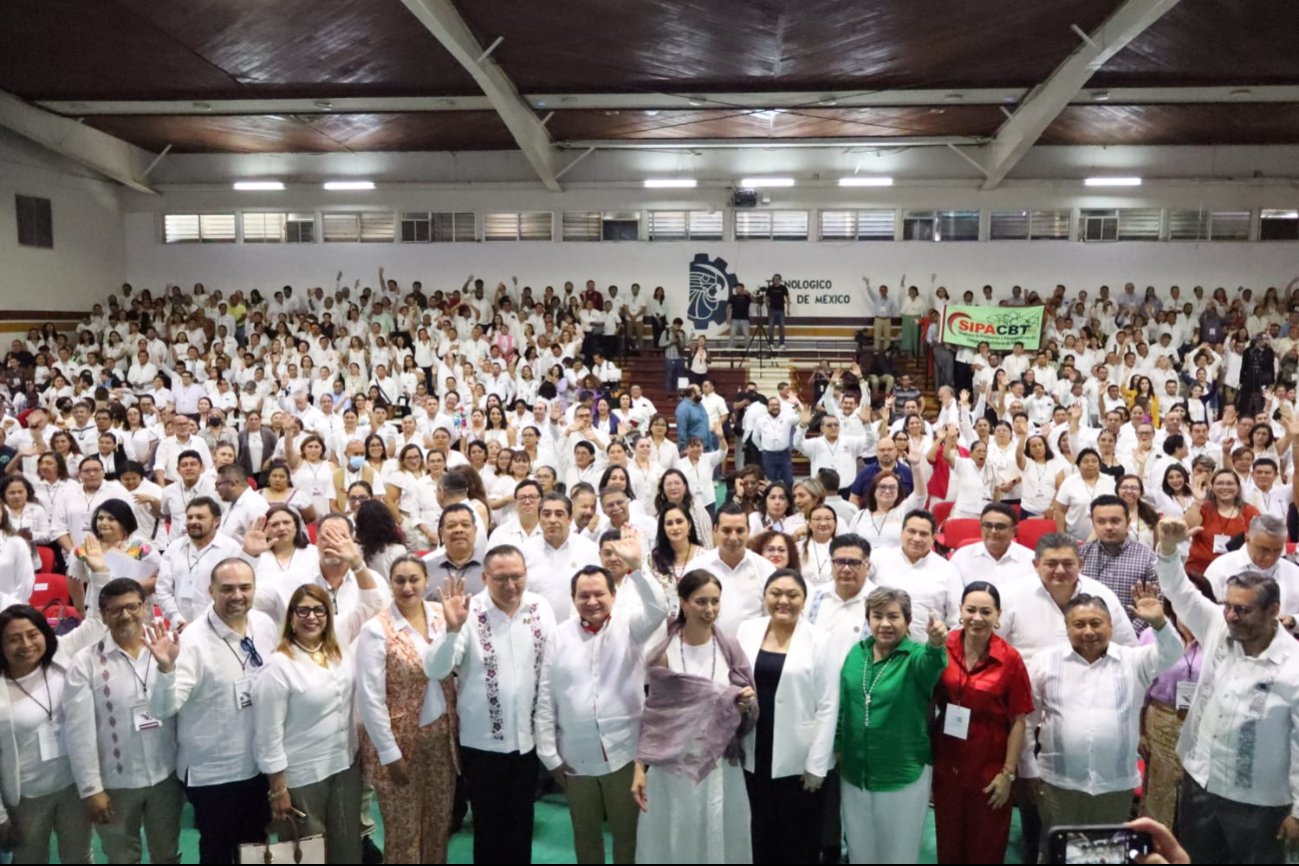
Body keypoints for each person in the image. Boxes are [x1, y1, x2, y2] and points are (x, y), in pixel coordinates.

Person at [1154, 518, 1299, 864]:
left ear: (1274, 612)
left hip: (1260, 801)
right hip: (1201, 781)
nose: (1231, 616)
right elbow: (1179, 591)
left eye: (1243, 610)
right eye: (1229, 606)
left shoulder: (1293, 666)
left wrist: (1298, 811)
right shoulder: (1218, 625)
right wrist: (1170, 550)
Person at [536, 531, 667, 865]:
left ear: (613, 595)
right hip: (575, 758)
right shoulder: (559, 636)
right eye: (583, 595)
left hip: (624, 754)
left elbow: (659, 607)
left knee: (627, 838)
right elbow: (546, 696)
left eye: (599, 594)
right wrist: (549, 755)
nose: (591, 601)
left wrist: (637, 569)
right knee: (586, 838)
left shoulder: (630, 627)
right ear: (573, 598)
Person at [425, 545, 556, 864]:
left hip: (527, 741)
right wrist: (452, 630)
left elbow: (552, 669)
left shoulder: (540, 607)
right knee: (488, 829)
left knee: (521, 826)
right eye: (501, 579)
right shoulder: (468, 612)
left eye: (517, 577)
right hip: (481, 744)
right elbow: (436, 669)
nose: (511, 586)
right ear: (484, 577)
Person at [145, 557, 278, 864]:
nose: (237, 596)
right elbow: (163, 708)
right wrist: (165, 669)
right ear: (211, 590)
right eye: (227, 588)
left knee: (256, 848)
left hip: (257, 766)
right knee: (218, 852)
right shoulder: (191, 641)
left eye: (245, 588)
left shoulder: (264, 625)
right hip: (213, 774)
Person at [1029, 587, 1181, 844]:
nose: (1088, 631)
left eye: (1096, 623)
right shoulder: (1045, 662)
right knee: (1059, 850)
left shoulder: (1134, 661)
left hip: (1114, 784)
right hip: (1059, 780)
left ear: (1110, 626)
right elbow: (1029, 719)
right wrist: (1028, 769)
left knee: (1108, 852)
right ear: (1067, 628)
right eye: (1079, 624)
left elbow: (1173, 652)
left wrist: (1159, 622)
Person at [631, 569, 757, 864]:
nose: (710, 609)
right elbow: (654, 717)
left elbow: (749, 709)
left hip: (719, 764)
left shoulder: (730, 649)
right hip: (672, 766)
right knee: (677, 836)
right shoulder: (664, 651)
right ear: (684, 603)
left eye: (715, 601)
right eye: (701, 602)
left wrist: (741, 706)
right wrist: (640, 767)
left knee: (719, 834)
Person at [65, 577, 184, 865]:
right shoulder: (85, 662)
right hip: (115, 781)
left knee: (167, 853)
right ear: (103, 615)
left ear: (146, 608)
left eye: (132, 607)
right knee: (121, 857)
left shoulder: (169, 647)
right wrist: (91, 789)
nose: (126, 615)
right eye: (116, 610)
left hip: (165, 775)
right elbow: (79, 733)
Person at [255, 579, 368, 865]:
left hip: (344, 766)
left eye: (319, 610)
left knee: (348, 849)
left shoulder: (336, 654)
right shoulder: (278, 666)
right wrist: (278, 788)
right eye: (302, 611)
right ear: (290, 618)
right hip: (302, 777)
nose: (311, 617)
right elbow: (268, 733)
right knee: (307, 856)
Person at [357, 555, 458, 864]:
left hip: (442, 740)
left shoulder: (445, 616)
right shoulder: (376, 629)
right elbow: (370, 698)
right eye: (399, 580)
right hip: (400, 744)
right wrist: (389, 753)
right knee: (404, 833)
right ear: (391, 584)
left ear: (426, 580)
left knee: (438, 826)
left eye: (414, 579)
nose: (407, 587)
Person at [836, 588, 948, 864]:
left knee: (898, 853)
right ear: (868, 620)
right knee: (860, 848)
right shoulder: (856, 654)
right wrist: (838, 745)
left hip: (902, 771)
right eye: (877, 616)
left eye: (893, 616)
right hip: (855, 772)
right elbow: (842, 704)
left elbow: (932, 665)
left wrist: (935, 644)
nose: (885, 624)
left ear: (908, 621)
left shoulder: (915, 656)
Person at [736, 569, 839, 865]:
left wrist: (817, 765)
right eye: (776, 594)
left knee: (799, 840)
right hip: (754, 752)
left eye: (792, 595)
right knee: (759, 836)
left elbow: (829, 705)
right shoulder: (748, 630)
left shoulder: (820, 640)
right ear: (765, 596)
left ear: (804, 600)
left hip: (799, 760)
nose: (784, 601)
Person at [932, 581, 1033, 865]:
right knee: (948, 841)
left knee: (985, 846)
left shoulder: (1009, 659)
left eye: (986, 612)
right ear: (960, 611)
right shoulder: (945, 647)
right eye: (971, 610)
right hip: (947, 760)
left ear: (998, 615)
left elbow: (1018, 719)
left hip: (989, 765)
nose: (977, 618)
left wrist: (1008, 774)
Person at [870, 510, 963, 642]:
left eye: (924, 534)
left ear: (933, 538)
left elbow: (957, 616)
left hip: (924, 651)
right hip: (879, 646)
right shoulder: (878, 557)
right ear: (901, 533)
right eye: (911, 531)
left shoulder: (948, 570)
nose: (917, 538)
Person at [687, 503, 776, 637]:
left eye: (740, 530)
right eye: (726, 530)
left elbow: (772, 617)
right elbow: (687, 614)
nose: (733, 537)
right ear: (715, 530)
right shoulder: (697, 567)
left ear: (748, 530)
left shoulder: (765, 568)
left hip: (751, 651)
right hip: (707, 650)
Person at [155, 498, 244, 628]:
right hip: (179, 627)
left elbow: (232, 592)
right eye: (189, 517)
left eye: (200, 517)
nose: (193, 522)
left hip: (218, 627)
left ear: (216, 521)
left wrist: (202, 624)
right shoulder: (174, 547)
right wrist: (175, 618)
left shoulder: (231, 549)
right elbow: (163, 588)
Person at [1079, 494, 1159, 630]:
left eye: (1115, 521)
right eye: (1101, 522)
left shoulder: (1148, 559)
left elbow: (1156, 605)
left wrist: (1128, 636)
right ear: (1093, 523)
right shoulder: (1081, 555)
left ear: (1127, 523)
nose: (1109, 527)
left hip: (1131, 641)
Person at [1203, 514, 1299, 625]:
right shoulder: (1220, 568)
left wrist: (1293, 621)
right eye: (1264, 550)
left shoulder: (1294, 572)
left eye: (1277, 550)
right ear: (1247, 539)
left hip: (1282, 638)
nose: (1270, 557)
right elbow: (1204, 610)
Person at [523, 493, 601, 623]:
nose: (552, 520)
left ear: (570, 518)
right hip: (534, 629)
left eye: (559, 514)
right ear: (538, 518)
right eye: (546, 514)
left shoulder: (589, 550)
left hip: (579, 629)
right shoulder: (524, 552)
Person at [1184, 467, 1259, 578]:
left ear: (1238, 488)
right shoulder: (1203, 507)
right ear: (1212, 487)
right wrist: (1198, 501)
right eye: (1219, 483)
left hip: (1235, 574)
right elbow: (1189, 527)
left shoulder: (1249, 511)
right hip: (1199, 573)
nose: (1225, 487)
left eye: (1230, 484)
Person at [948, 503, 1037, 590]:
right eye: (988, 526)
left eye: (1000, 527)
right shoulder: (961, 557)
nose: (993, 531)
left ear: (1014, 531)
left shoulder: (1031, 560)